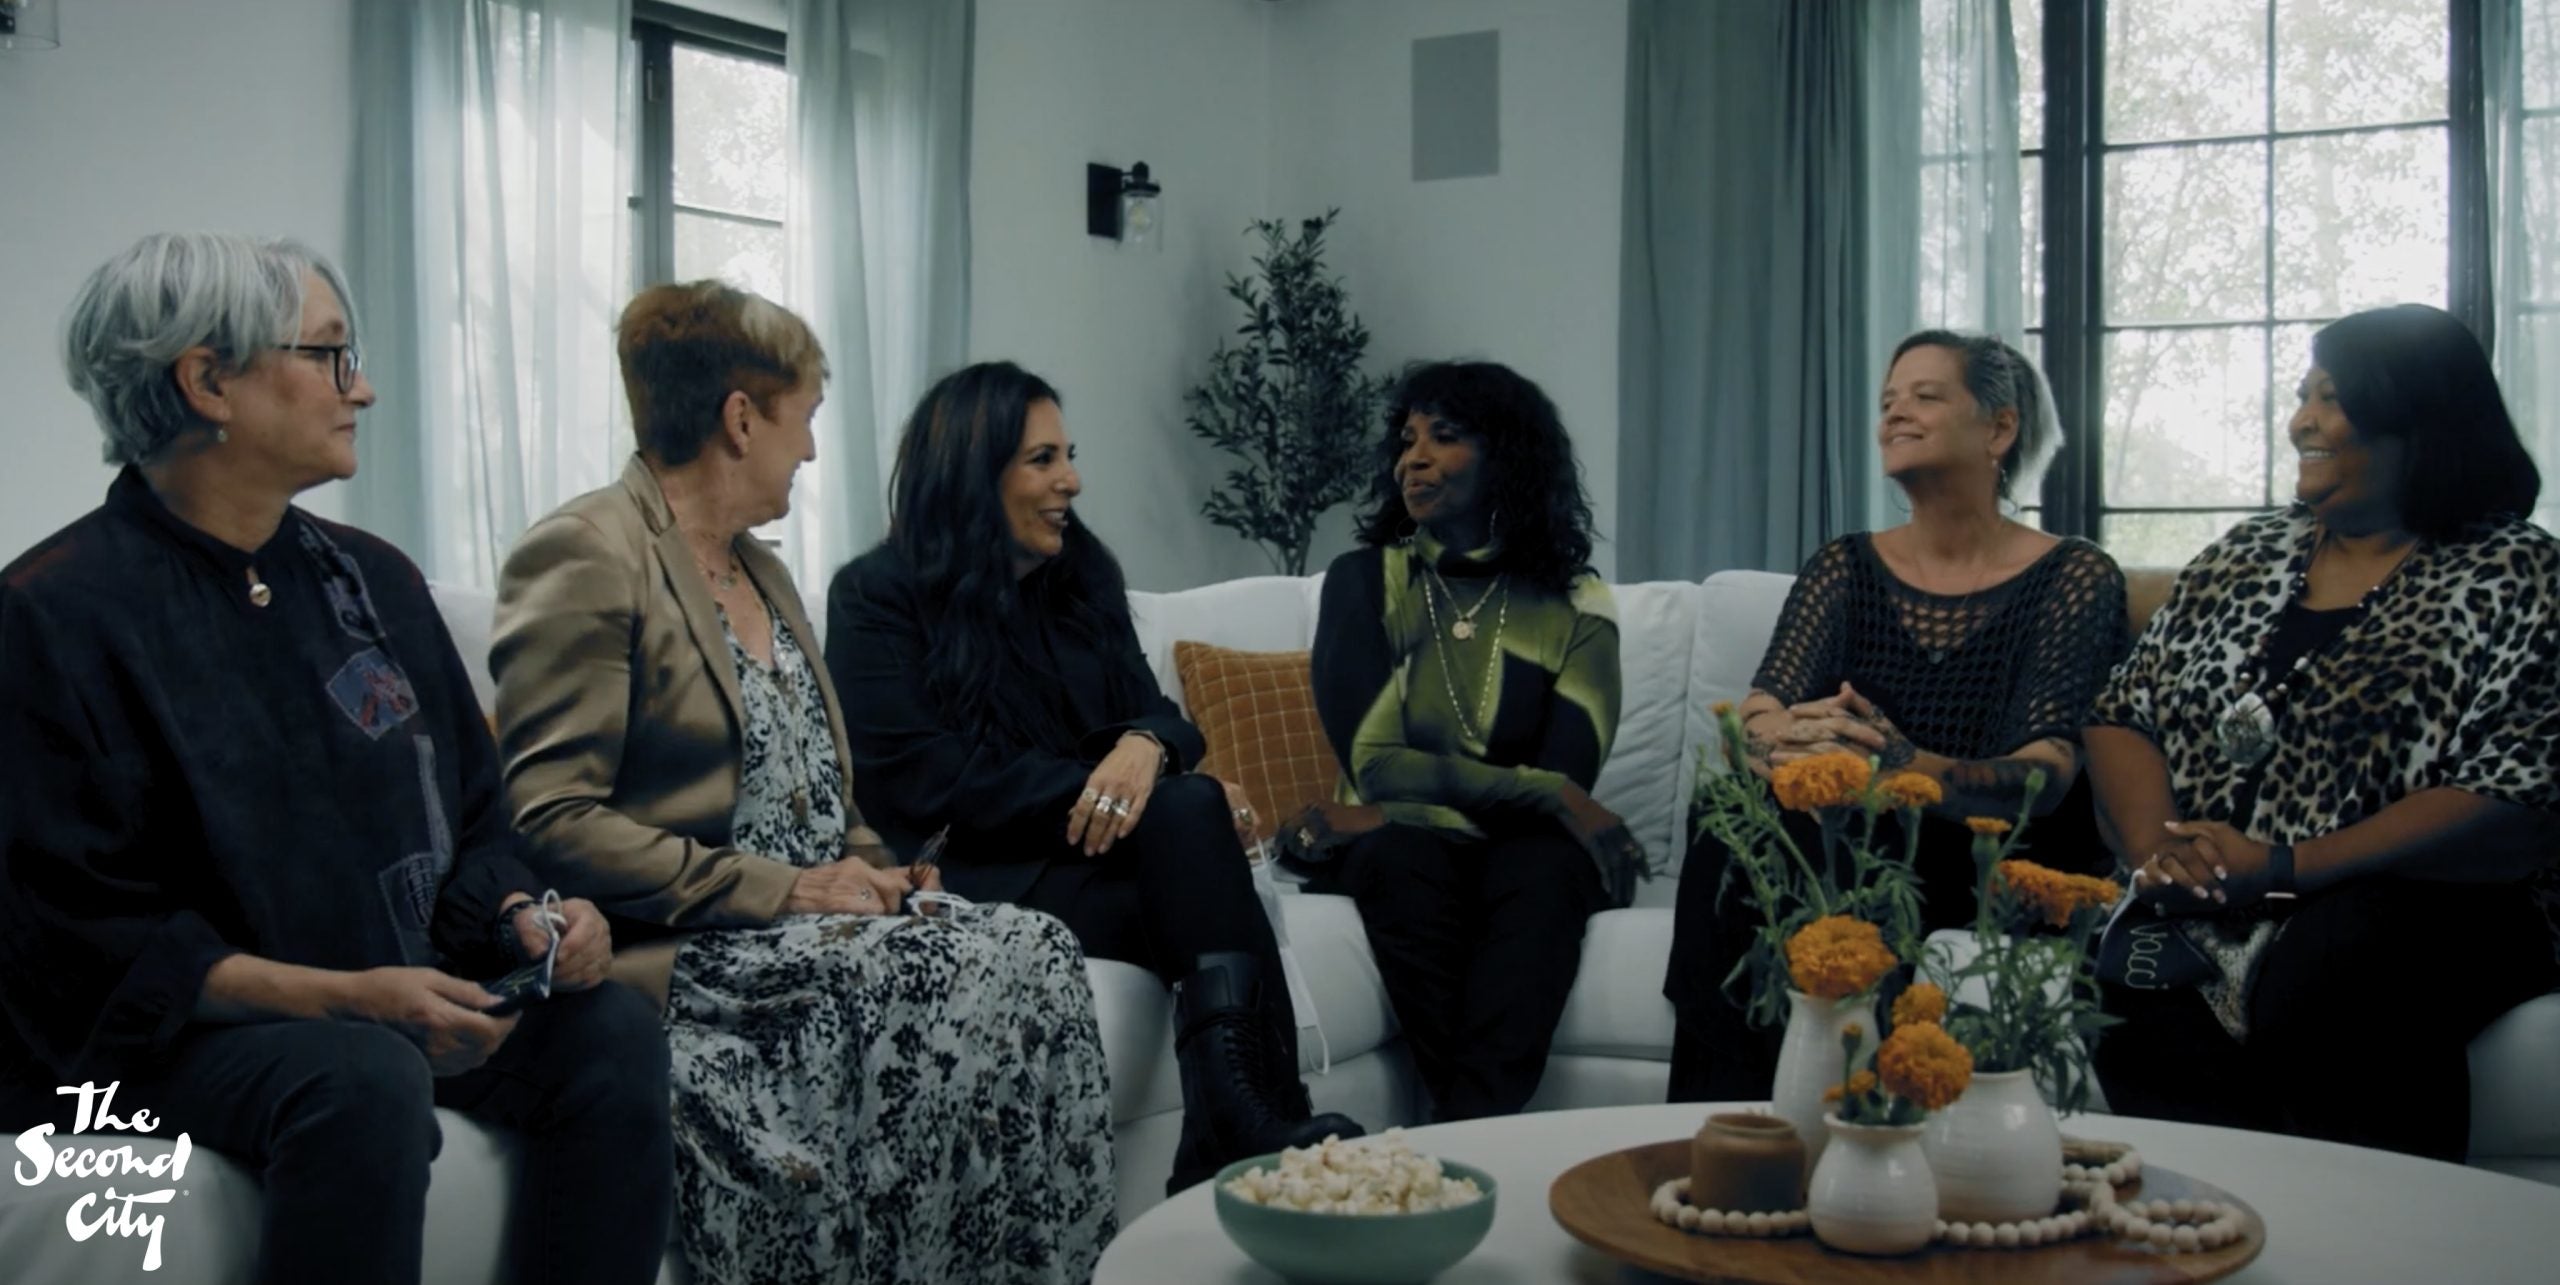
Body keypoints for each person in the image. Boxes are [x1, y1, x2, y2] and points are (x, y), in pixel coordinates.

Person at [0, 234, 671, 1285]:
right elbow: (88, 943)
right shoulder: (51, 617)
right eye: (327, 354)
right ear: (207, 381)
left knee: (609, 1031)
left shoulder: (375, 582)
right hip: (152, 1043)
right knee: (358, 1077)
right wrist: (347, 997)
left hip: (383, 1001)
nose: (361, 387)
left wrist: (521, 917)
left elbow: (473, 818)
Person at [492, 287, 1113, 1283]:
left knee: (1034, 943)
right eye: (806, 417)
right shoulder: (588, 553)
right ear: (741, 419)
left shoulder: (762, 570)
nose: (813, 450)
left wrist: (882, 868)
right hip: (698, 944)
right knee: (918, 975)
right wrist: (785, 889)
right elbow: (554, 818)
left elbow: (819, 787)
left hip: (807, 924)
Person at [827, 361, 1363, 1195]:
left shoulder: (1080, 574)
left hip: (1093, 861)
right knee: (1189, 815)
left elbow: (1162, 716)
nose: (1071, 481)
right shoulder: (874, 595)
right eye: (1042, 459)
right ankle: (1260, 1124)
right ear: (974, 472)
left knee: (1191, 813)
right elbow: (926, 779)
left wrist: (1146, 749)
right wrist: (1119, 787)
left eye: (1067, 456)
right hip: (980, 875)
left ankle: (1241, 1122)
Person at [2085, 304, 2560, 1161]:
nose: (2302, 420)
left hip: (2423, 904)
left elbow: (2511, 792)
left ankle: (2374, 1225)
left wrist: (2284, 867)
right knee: (2139, 982)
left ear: (2418, 418)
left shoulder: (2519, 569)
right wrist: (2163, 853)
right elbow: (2124, 712)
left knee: (2335, 958)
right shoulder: (2246, 553)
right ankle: (2209, 1219)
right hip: (2217, 894)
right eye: (2302, 396)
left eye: (2332, 398)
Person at [1663, 331, 2129, 1103]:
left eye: (1925, 396)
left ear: (1999, 429)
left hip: (1978, 854)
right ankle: (1736, 1121)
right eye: (1887, 401)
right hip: (1847, 833)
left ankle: (1838, 1116)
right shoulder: (1844, 565)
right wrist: (1788, 742)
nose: (1894, 414)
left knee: (1835, 841)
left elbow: (2044, 775)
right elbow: (1761, 708)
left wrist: (1896, 763)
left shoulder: (2075, 575)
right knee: (1731, 813)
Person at [1287, 360, 1638, 1121]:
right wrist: (1546, 794)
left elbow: (1569, 769)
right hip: (1401, 848)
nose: (1412, 459)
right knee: (1405, 858)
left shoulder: (1579, 604)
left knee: (1544, 868)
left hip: (1508, 847)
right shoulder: (1364, 582)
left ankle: (1458, 1134)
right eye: (1407, 439)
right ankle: (1481, 1134)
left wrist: (1383, 814)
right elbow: (1380, 766)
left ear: (1505, 454)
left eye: (1443, 436)